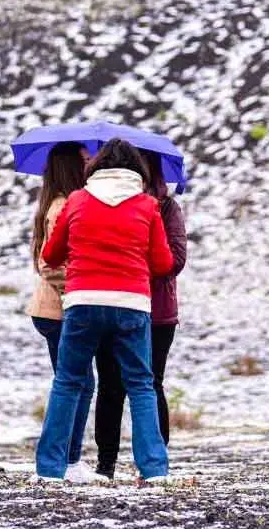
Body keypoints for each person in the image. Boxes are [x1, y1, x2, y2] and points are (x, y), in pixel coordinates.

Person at [36, 138, 174, 482]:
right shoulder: (147, 206)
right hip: (131, 305)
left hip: (82, 301)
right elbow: (162, 262)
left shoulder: (78, 200)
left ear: (95, 168)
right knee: (141, 384)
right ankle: (154, 470)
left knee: (67, 382)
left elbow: (51, 255)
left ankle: (50, 470)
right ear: (135, 171)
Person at [94, 149, 187, 480]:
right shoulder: (106, 204)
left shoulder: (167, 208)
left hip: (157, 312)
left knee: (151, 384)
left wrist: (132, 261)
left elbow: (175, 259)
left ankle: (155, 462)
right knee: (110, 386)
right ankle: (105, 464)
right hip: (117, 303)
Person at [27, 142, 104, 483]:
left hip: (54, 308)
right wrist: (79, 291)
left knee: (79, 382)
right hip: (58, 310)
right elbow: (51, 265)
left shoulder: (57, 203)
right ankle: (68, 461)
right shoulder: (61, 206)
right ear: (71, 166)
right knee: (77, 383)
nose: (89, 165)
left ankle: (70, 460)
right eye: (85, 160)